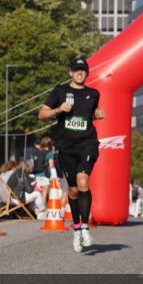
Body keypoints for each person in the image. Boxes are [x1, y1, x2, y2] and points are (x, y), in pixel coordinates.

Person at [37, 58, 104, 252]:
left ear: (87, 73)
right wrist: (59, 109)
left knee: (83, 181)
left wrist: (96, 114)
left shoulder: (94, 94)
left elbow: (89, 114)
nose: (79, 73)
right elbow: (41, 115)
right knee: (73, 191)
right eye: (76, 70)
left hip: (87, 144)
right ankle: (76, 230)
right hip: (66, 147)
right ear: (70, 73)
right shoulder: (60, 91)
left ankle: (85, 228)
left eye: (82, 70)